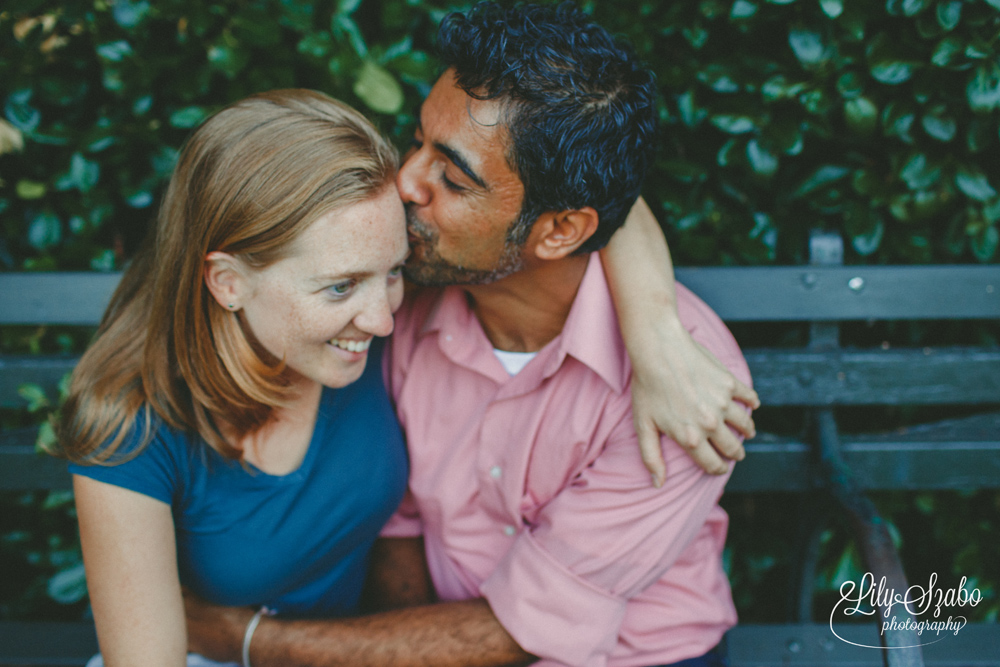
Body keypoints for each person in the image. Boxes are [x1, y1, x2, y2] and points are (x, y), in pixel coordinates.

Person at [183, 4, 752, 667]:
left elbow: (521, 630)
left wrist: (246, 639)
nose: (405, 181)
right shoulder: (400, 292)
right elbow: (402, 519)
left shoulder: (685, 387)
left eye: (452, 178)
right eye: (417, 140)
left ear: (560, 231)